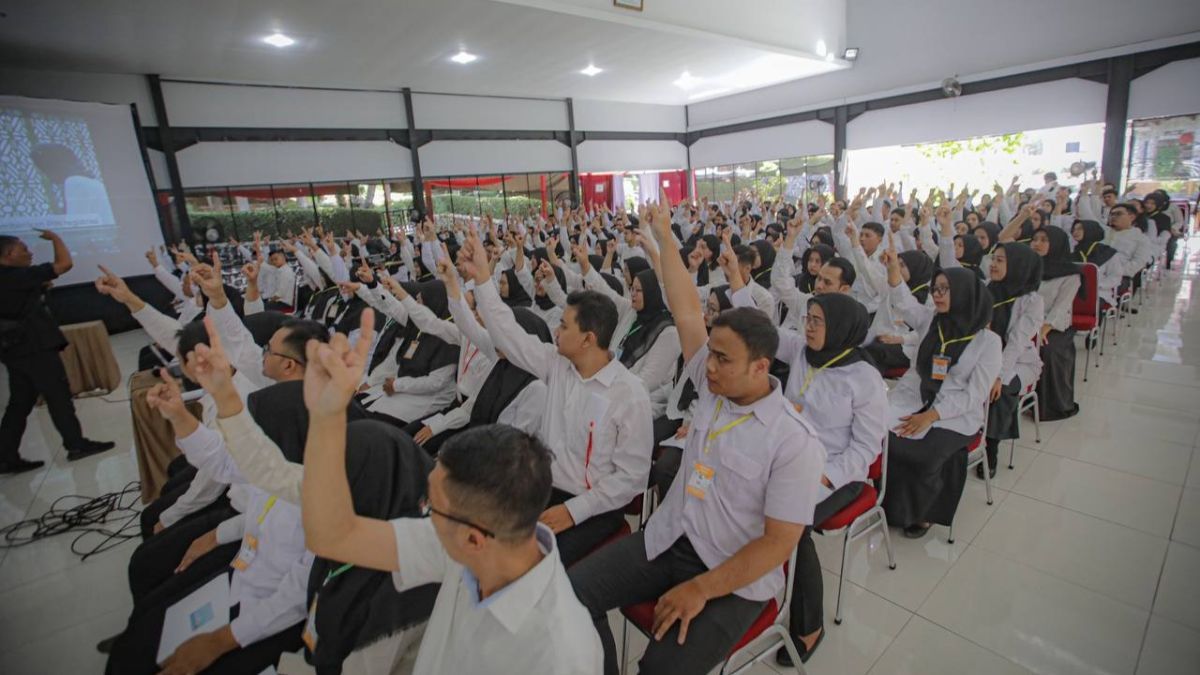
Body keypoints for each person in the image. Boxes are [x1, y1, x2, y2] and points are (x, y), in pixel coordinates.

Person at [569, 197, 824, 675]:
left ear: (761, 367)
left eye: (722, 359)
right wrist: (664, 235)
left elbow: (777, 543)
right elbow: (685, 309)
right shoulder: (714, 392)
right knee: (570, 595)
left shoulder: (794, 441)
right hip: (670, 537)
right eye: (710, 354)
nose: (707, 367)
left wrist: (703, 589)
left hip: (733, 574)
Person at [293, 308, 602, 674]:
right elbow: (332, 536)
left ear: (474, 538)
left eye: (431, 507)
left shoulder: (560, 655)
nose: (422, 513)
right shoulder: (462, 545)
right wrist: (326, 418)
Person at [467, 229, 653, 566]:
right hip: (544, 488)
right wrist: (482, 279)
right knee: (484, 538)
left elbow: (632, 478)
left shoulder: (629, 394)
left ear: (588, 339)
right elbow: (508, 333)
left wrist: (574, 511)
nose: (556, 331)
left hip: (594, 506)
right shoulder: (557, 366)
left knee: (532, 566)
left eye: (565, 326)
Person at [774, 293, 887, 667]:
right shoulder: (804, 352)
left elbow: (866, 450)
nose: (807, 326)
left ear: (840, 327)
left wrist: (825, 476)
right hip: (790, 458)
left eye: (817, 321)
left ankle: (808, 625)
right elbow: (765, 333)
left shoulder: (864, 378)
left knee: (792, 523)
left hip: (839, 474)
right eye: (808, 318)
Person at [880, 257, 1001, 539]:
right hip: (915, 398)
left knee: (924, 454)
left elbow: (975, 395)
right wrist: (893, 271)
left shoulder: (988, 342)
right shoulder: (931, 321)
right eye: (935, 289)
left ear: (965, 293)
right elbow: (904, 301)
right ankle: (887, 501)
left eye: (945, 289)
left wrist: (932, 416)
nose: (937, 295)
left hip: (955, 414)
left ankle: (923, 512)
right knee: (882, 435)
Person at [0, 231, 113, 473]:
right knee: (58, 395)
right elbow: (64, 264)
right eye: (23, 250)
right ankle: (76, 444)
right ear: (8, 255)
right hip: (34, 347)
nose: (29, 253)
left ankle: (5, 454)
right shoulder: (16, 277)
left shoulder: (11, 279)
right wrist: (55, 239)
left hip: (13, 349)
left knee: (20, 402)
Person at [979, 243, 1044, 477]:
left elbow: (1016, 344)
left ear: (1018, 265)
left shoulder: (1032, 301)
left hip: (1017, 362)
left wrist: (997, 374)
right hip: (984, 356)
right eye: (993, 259)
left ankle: (991, 446)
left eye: (1000, 260)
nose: (993, 264)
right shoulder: (986, 288)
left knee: (1001, 389)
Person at [1032, 227, 1082, 420]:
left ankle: (1051, 405)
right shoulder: (1029, 267)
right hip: (1028, 320)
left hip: (1054, 324)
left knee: (1048, 350)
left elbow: (1061, 308)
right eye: (1035, 239)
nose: (1037, 243)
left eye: (1044, 240)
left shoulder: (1071, 275)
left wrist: (1044, 329)